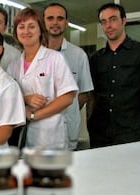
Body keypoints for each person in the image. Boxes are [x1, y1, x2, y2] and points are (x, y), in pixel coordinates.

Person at [88, 3, 140, 148]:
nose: (108, 25)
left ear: (124, 20)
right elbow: (92, 95)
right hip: (99, 132)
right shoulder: (96, 58)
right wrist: (89, 121)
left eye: (113, 19)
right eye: (104, 22)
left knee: (131, 171)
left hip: (131, 132)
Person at [7, 8, 78, 149]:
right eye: (21, 27)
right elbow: (8, 97)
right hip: (22, 135)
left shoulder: (55, 58)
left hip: (50, 134)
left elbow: (68, 96)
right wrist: (26, 99)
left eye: (32, 26)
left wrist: (35, 115)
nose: (26, 31)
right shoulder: (13, 65)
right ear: (16, 32)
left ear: (41, 30)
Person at [43, 3, 94, 150]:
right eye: (50, 18)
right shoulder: (32, 55)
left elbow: (84, 94)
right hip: (38, 133)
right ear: (43, 21)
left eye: (60, 18)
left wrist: (67, 111)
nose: (55, 22)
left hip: (67, 133)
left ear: (66, 22)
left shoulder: (78, 55)